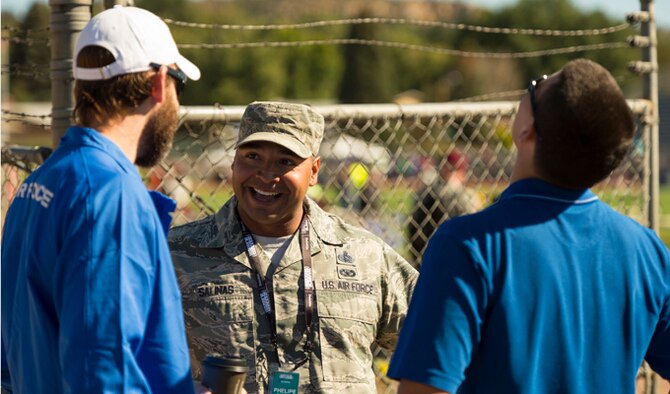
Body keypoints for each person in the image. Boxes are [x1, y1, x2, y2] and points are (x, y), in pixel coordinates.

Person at [387, 59, 670, 393]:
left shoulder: (468, 245)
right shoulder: (647, 251)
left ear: (527, 130)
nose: (533, 84)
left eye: (537, 84)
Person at [1, 6, 200, 393]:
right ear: (159, 82)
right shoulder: (107, 193)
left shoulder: (41, 182)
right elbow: (102, 369)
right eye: (179, 84)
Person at [168, 101, 418, 394]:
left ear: (313, 171)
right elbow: (126, 355)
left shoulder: (366, 256)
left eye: (286, 161)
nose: (265, 174)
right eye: (252, 156)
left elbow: (440, 343)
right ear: (234, 162)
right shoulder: (177, 254)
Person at [408, 149, 482, 265]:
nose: (451, 174)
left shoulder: (464, 194)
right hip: (430, 249)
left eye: (455, 170)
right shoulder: (429, 192)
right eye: (449, 169)